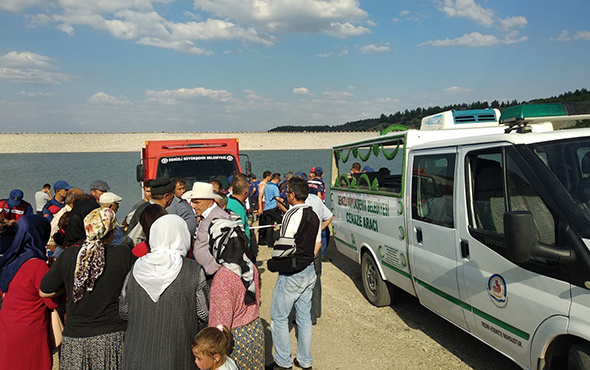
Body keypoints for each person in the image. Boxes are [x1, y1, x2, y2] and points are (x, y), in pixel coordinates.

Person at [40, 207, 133, 370]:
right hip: (111, 337)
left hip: (75, 339)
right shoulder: (123, 255)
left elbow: (45, 291)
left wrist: (71, 286)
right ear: (111, 232)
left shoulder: (69, 256)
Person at [119, 214, 209, 370]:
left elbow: (123, 310)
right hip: (178, 354)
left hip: (137, 354)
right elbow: (204, 313)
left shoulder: (136, 269)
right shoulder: (193, 270)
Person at [267, 177, 321, 370]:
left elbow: (284, 245)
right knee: (304, 317)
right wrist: (306, 260)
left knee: (279, 317)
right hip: (308, 269)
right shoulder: (314, 214)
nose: (286, 195)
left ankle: (283, 362)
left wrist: (273, 262)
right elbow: (317, 243)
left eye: (288, 192)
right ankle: (305, 360)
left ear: (293, 195)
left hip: (293, 273)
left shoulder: (292, 214)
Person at [0, 215, 59, 370]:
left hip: (7, 326)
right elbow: (51, 301)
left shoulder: (10, 259)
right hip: (30, 329)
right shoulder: (38, 265)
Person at [208, 261, 264, 369]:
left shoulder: (223, 276)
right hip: (255, 331)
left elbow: (220, 320)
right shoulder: (250, 266)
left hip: (236, 340)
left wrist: (213, 345)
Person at [182, 182, 228, 276]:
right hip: (207, 272)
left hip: (214, 273)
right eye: (192, 202)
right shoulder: (208, 216)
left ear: (210, 202)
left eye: (197, 202)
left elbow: (226, 248)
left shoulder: (218, 218)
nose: (193, 206)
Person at [304, 191, 334, 325]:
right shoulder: (316, 199)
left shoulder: (299, 204)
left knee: (304, 280)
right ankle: (316, 310)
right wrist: (320, 228)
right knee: (316, 278)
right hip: (318, 244)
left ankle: (308, 315)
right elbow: (330, 216)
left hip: (305, 246)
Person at [124, 178, 175, 248]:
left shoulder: (144, 206)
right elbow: (134, 238)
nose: (173, 199)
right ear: (166, 196)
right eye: (173, 196)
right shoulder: (150, 211)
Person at [260, 173, 283, 247]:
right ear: (276, 179)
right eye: (279, 180)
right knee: (282, 223)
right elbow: (277, 199)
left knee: (269, 226)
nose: (279, 181)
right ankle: (283, 239)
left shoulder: (266, 186)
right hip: (273, 208)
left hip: (266, 208)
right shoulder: (275, 188)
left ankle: (270, 243)